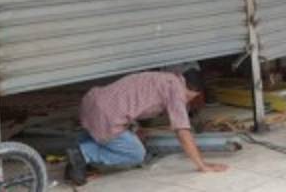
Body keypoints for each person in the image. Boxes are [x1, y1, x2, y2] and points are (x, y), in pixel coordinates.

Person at [66, 70, 226, 185]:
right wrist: (202, 165)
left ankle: (74, 164)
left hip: (91, 102)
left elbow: (135, 100)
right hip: (106, 116)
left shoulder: (166, 77)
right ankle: (82, 155)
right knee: (136, 154)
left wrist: (134, 129)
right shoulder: (177, 91)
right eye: (192, 98)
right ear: (194, 91)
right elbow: (182, 132)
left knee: (103, 135)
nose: (189, 101)